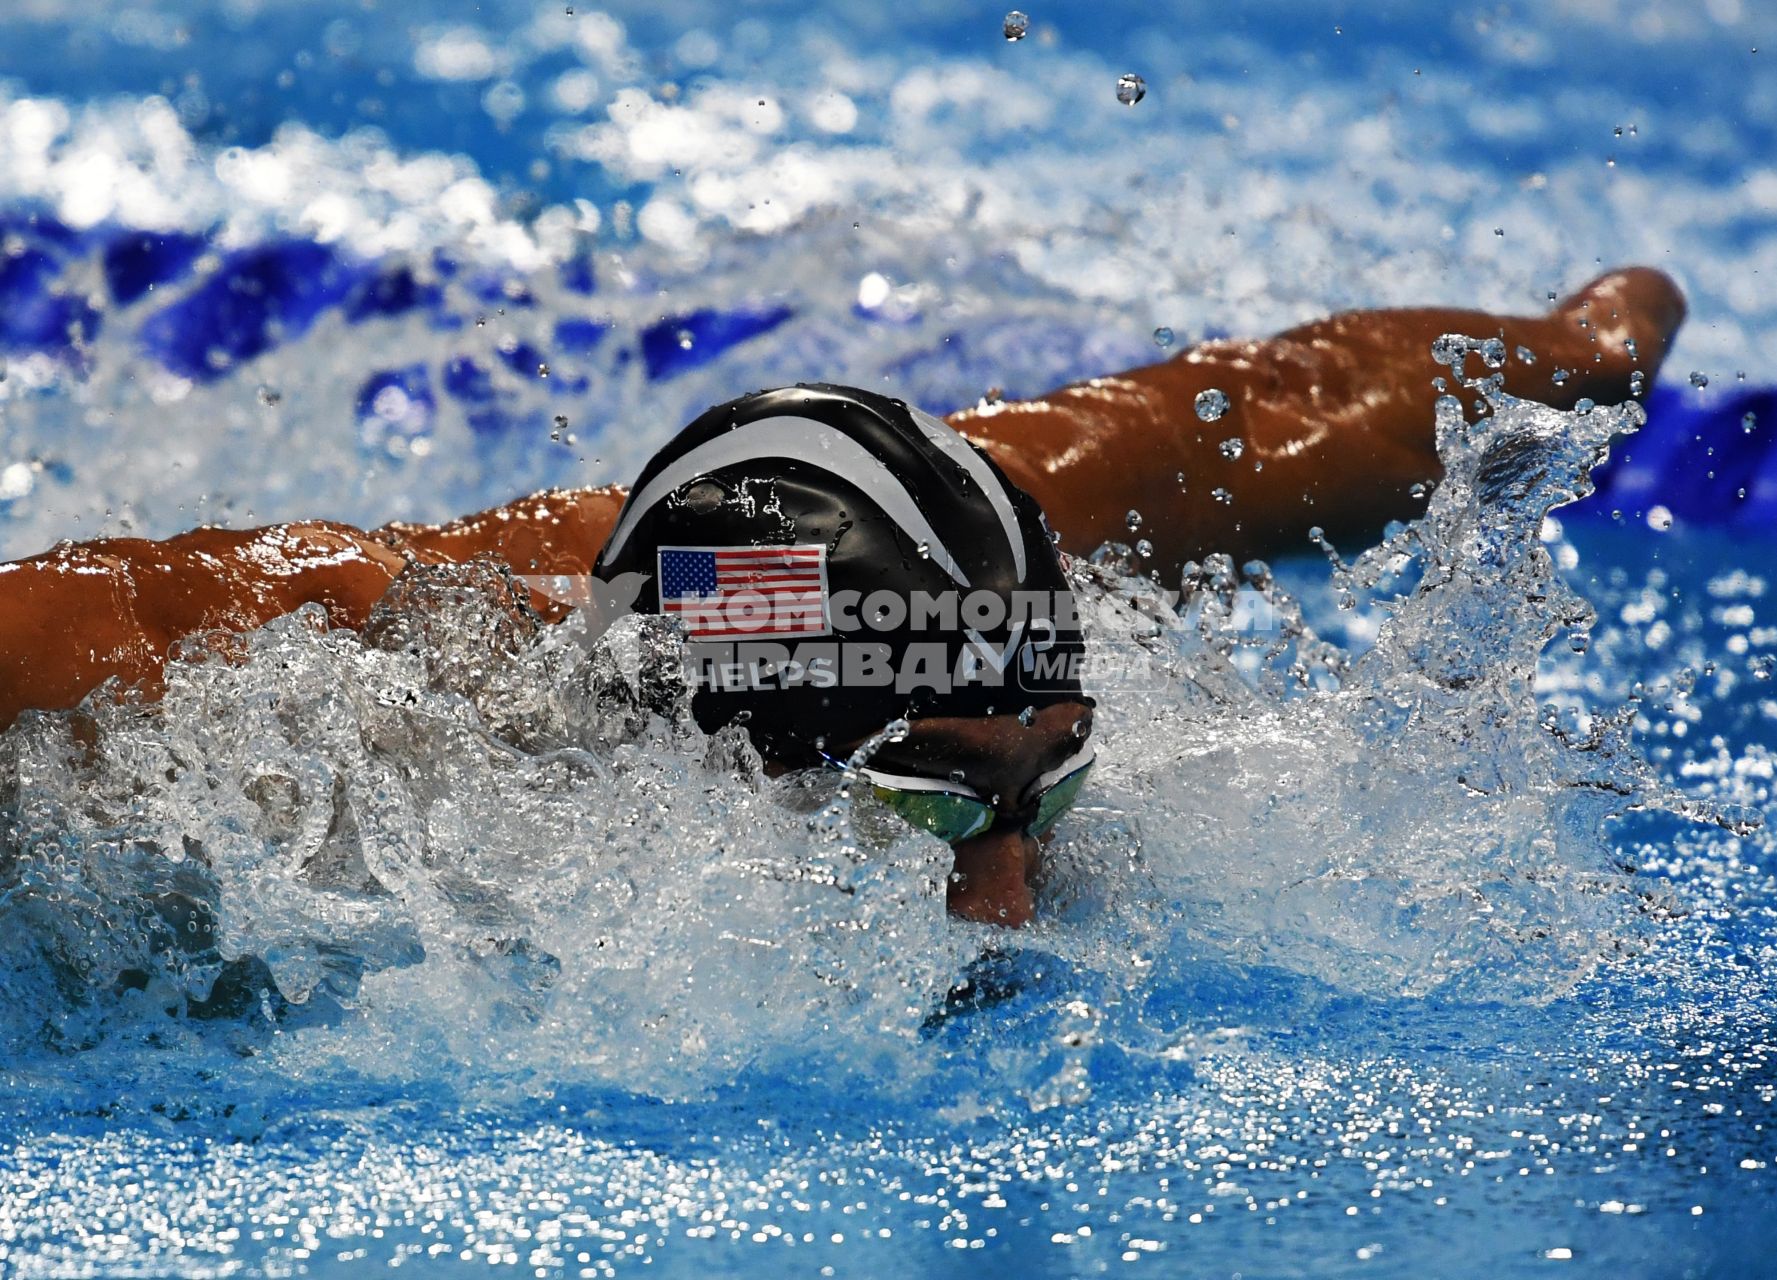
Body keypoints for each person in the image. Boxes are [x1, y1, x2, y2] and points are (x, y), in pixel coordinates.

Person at [0, 267, 1687, 925]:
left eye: (1048, 785)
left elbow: (1248, 421)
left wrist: (1586, 352)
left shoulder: (940, 546)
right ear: (718, 752)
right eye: (928, 802)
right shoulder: (289, 709)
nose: (1015, 906)